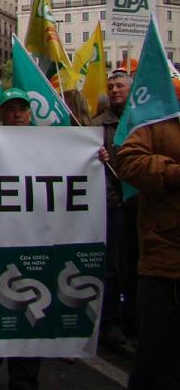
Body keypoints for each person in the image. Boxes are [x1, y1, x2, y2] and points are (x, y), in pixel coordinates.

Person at [0, 87, 42, 390]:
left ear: (30, 113)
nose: (16, 115)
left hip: (32, 241)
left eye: (21, 109)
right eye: (10, 109)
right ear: (0, 112)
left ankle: (24, 380)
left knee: (30, 312)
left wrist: (95, 155)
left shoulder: (50, 144)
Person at [115, 114, 180, 389]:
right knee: (158, 361)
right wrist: (173, 173)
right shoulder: (161, 118)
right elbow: (127, 161)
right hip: (168, 263)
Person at [91, 70, 133, 346]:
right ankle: (111, 322)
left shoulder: (145, 123)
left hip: (143, 206)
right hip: (113, 205)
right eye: (111, 86)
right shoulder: (96, 126)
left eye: (120, 85)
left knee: (136, 266)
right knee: (113, 266)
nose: (115, 89)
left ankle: (134, 319)